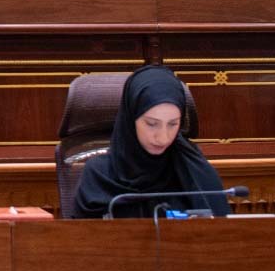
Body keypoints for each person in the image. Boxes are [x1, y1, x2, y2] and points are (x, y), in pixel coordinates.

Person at [70, 65, 229, 219]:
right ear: (131, 119)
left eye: (173, 124)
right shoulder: (98, 175)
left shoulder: (195, 171)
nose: (163, 138)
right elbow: (79, 240)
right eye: (152, 124)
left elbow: (224, 235)